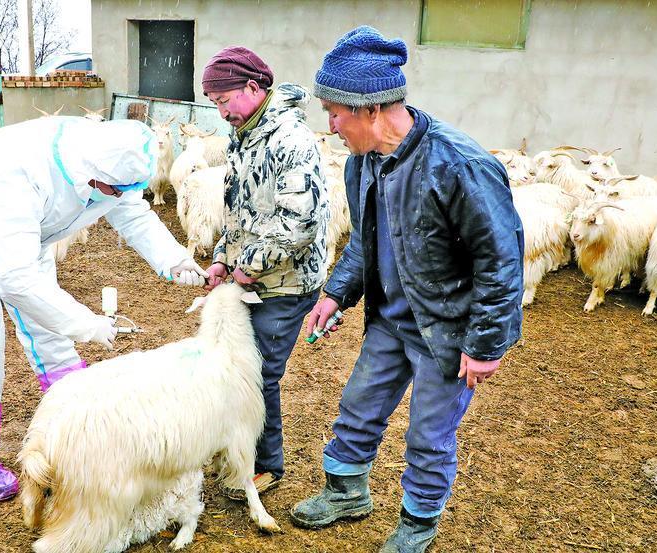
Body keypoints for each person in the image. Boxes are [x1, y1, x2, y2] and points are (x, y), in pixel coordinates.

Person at [289, 26, 524, 552]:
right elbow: (364, 243)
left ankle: (418, 524)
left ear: (370, 109)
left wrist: (485, 344)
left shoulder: (459, 164)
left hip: (447, 333)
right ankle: (346, 492)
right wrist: (335, 293)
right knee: (358, 408)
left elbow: (501, 259)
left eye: (334, 113)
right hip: (391, 321)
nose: (330, 127)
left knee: (427, 437)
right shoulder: (363, 163)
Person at [0, 116, 208, 502]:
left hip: (30, 235)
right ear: (94, 177)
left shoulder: (110, 157)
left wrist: (174, 260)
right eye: (114, 189)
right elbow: (17, 281)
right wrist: (88, 324)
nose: (120, 195)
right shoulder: (14, 175)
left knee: (49, 334)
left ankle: (77, 420)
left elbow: (131, 210)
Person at [201, 46, 329, 497]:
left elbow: (301, 222)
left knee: (258, 372)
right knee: (236, 365)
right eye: (214, 103)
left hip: (288, 281)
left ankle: (266, 464)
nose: (221, 112)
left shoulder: (290, 140)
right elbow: (240, 212)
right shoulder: (247, 135)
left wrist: (246, 267)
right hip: (256, 275)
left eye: (224, 100)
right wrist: (222, 255)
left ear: (253, 88)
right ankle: (239, 448)